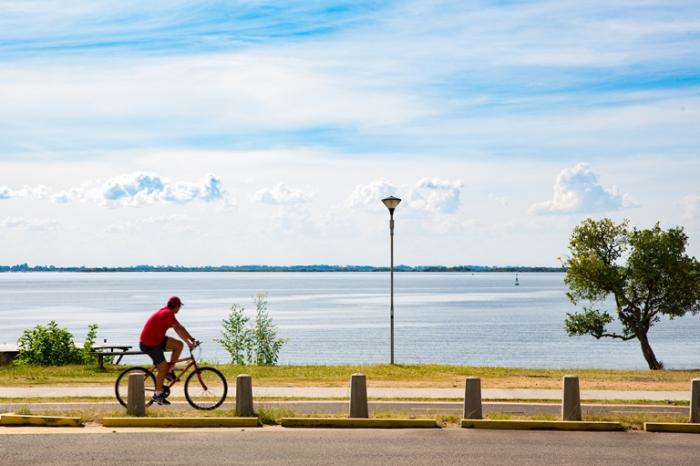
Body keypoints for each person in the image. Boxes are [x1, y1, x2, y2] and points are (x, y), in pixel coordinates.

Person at [139, 296, 197, 405]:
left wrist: (191, 339)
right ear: (177, 306)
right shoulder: (167, 314)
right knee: (163, 367)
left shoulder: (166, 312)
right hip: (149, 343)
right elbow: (178, 329)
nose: (179, 309)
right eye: (180, 307)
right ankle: (157, 394)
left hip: (157, 339)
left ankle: (169, 371)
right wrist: (189, 342)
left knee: (178, 345)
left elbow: (180, 327)